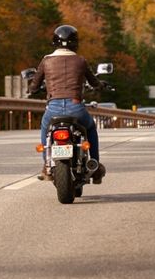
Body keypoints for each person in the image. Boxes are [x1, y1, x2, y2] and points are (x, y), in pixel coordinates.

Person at [29, 24, 106, 183]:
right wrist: (100, 85)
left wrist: (33, 89)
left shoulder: (46, 61)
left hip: (53, 109)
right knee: (90, 127)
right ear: (75, 43)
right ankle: (95, 166)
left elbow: (34, 86)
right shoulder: (80, 61)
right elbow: (94, 81)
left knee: (45, 128)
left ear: (54, 42)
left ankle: (47, 165)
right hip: (76, 107)